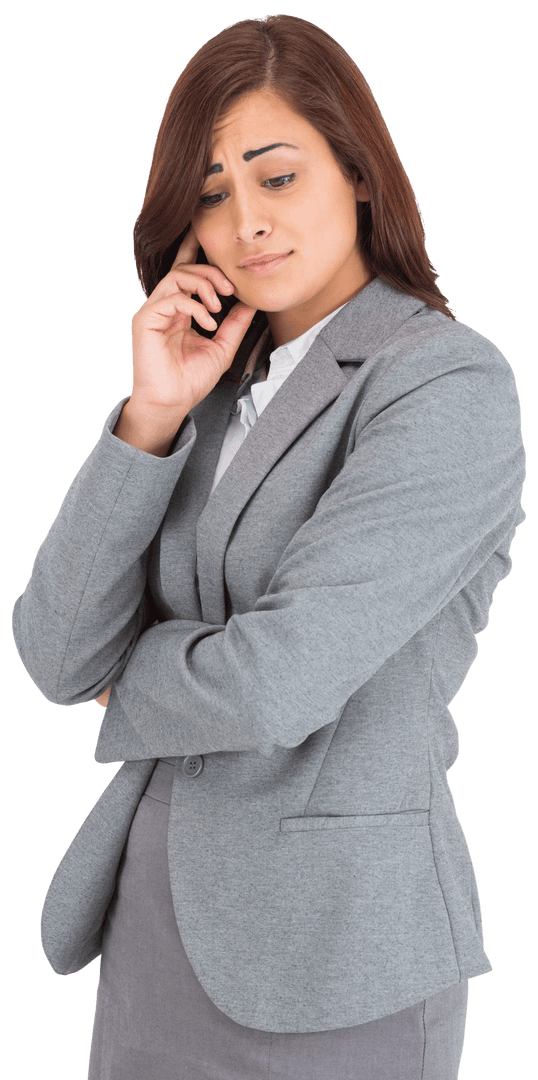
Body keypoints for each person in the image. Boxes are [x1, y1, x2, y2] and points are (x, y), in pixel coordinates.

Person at [11, 13, 526, 1080]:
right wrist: (150, 416)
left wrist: (131, 680)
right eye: (209, 192)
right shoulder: (204, 389)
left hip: (337, 954)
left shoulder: (444, 383)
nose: (245, 221)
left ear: (358, 173)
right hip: (150, 934)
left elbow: (278, 682)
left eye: (276, 176)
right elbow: (59, 657)